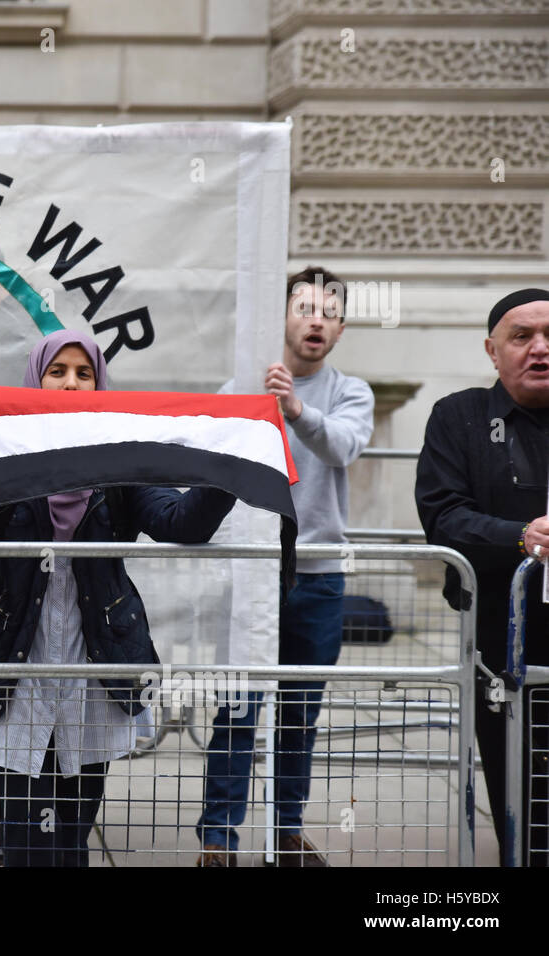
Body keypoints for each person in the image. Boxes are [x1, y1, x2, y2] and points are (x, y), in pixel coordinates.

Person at [0, 329, 236, 866]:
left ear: (99, 384)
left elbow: (182, 522)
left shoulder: (121, 463)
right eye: (57, 371)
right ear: (35, 379)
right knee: (28, 837)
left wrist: (226, 466)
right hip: (13, 668)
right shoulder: (2, 457)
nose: (70, 384)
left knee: (71, 835)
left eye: (84, 373)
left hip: (93, 672)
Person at [196, 267, 374, 867]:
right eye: (304, 308)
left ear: (342, 328)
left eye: (328, 311)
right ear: (283, 320)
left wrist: (296, 410)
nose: (316, 319)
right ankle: (218, 837)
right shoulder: (238, 389)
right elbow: (209, 468)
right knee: (239, 706)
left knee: (299, 714)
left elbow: (343, 446)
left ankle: (287, 831)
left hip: (319, 575)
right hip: (250, 570)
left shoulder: (352, 392)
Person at [416, 287, 549, 866]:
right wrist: (523, 537)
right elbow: (443, 516)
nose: (540, 349)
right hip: (503, 641)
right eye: (522, 337)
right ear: (492, 350)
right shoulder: (460, 417)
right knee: (518, 790)